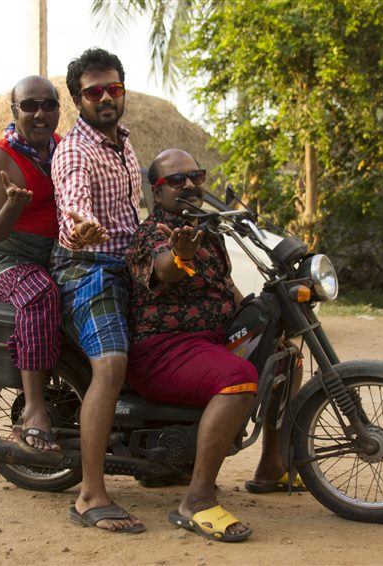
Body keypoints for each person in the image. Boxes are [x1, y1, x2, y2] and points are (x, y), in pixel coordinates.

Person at [125, 148, 301, 542]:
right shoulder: (153, 233)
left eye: (196, 176)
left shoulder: (209, 229)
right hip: (164, 350)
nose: (189, 184)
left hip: (210, 341)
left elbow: (224, 285)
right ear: (157, 191)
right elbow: (165, 270)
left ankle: (270, 467)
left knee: (284, 357)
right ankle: (197, 500)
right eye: (176, 180)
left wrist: (253, 314)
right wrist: (180, 255)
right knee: (239, 376)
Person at [51, 47, 144, 534]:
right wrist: (81, 228)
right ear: (77, 99)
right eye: (94, 92)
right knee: (110, 365)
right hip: (86, 268)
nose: (106, 98)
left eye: (114, 88)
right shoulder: (75, 151)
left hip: (128, 264)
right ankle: (90, 495)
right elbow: (74, 204)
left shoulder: (125, 145)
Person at [0, 75, 63, 452]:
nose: (40, 114)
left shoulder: (62, 150)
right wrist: (13, 206)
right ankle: (34, 410)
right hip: (4, 260)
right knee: (40, 294)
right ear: (15, 111)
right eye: (29, 106)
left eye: (48, 105)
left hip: (51, 256)